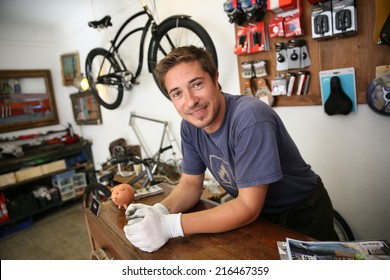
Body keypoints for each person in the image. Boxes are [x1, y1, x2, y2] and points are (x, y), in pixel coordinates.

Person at [124, 45, 337, 253]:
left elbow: (247, 207)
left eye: (197, 84)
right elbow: (190, 184)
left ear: (216, 79)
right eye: (177, 93)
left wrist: (169, 226)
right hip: (261, 217)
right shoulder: (190, 125)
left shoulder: (250, 117)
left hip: (302, 213)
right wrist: (160, 210)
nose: (190, 102)